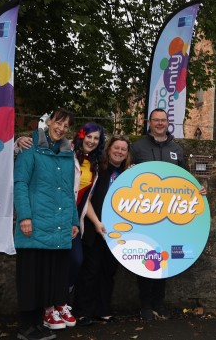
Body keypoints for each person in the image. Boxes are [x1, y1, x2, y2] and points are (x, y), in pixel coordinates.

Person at [13, 108, 80, 340]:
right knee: (30, 277)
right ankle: (26, 326)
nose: (61, 128)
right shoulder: (30, 146)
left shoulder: (66, 154)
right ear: (49, 121)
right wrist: (24, 216)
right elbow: (20, 182)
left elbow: (69, 192)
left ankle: (38, 323)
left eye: (66, 126)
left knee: (49, 278)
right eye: (58, 122)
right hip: (34, 223)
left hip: (59, 226)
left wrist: (74, 221)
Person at [130, 108, 187, 321]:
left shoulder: (177, 149)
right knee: (145, 259)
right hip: (143, 214)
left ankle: (159, 303)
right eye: (156, 120)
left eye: (163, 120)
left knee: (165, 258)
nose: (160, 123)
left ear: (168, 122)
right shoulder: (137, 147)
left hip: (169, 217)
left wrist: (198, 190)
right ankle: (145, 305)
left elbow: (186, 180)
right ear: (149, 122)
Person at [73, 135, 132, 325]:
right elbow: (87, 198)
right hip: (94, 227)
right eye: (116, 148)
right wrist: (97, 223)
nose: (120, 152)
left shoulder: (129, 174)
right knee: (90, 271)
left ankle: (103, 310)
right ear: (108, 149)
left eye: (123, 149)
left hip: (117, 233)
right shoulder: (98, 169)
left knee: (108, 272)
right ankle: (82, 312)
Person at [68, 123, 105, 303]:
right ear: (81, 136)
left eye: (96, 138)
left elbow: (86, 199)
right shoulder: (67, 152)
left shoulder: (93, 163)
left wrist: (97, 223)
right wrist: (20, 142)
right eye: (89, 136)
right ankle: (52, 306)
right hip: (59, 216)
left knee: (76, 261)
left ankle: (62, 300)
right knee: (57, 262)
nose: (91, 141)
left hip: (75, 220)